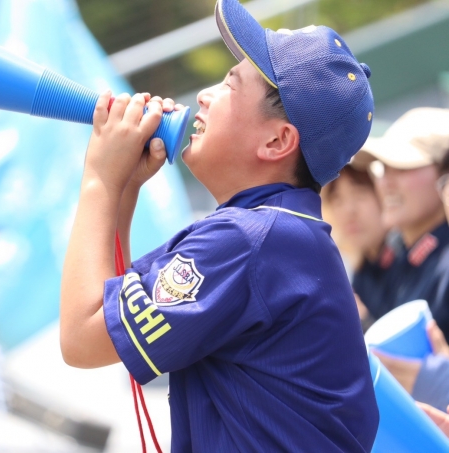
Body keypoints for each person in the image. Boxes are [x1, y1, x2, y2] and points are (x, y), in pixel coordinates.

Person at [60, 0, 378, 451]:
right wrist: (124, 189)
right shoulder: (272, 233)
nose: (205, 95)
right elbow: (107, 312)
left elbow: (81, 339)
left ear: (277, 140)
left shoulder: (249, 241)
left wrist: (99, 179)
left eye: (230, 84)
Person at [356, 108, 449, 338]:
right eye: (383, 168)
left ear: (444, 174)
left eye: (403, 167)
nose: (385, 182)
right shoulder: (396, 264)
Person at [321, 162, 389, 330]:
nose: (349, 210)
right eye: (337, 200)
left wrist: (363, 320)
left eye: (360, 194)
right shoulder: (360, 273)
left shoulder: (407, 261)